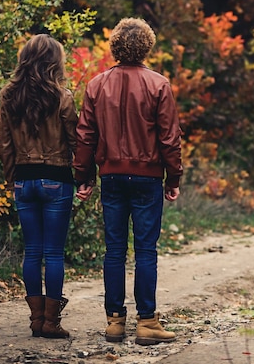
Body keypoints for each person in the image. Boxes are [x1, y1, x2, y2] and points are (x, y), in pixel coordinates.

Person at [73, 17, 183, 346]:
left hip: (111, 178)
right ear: (147, 45)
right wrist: (173, 177)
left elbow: (85, 137)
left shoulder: (96, 85)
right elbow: (169, 138)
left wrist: (84, 177)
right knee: (146, 250)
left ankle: (114, 323)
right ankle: (147, 323)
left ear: (115, 45)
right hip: (148, 177)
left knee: (114, 250)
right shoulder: (159, 84)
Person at [0, 34, 78, 339]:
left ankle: (35, 320)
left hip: (24, 179)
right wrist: (84, 176)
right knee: (54, 253)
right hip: (56, 179)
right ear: (53, 62)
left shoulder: (9, 97)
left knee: (32, 252)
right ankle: (51, 322)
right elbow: (76, 141)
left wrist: (12, 180)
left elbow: (4, 144)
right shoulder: (63, 97)